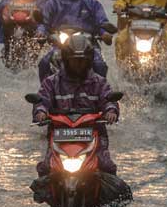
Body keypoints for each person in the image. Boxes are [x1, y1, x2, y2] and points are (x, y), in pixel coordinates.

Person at [32, 32, 120, 180]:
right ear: (66, 60)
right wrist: (41, 112)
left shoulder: (99, 82)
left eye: (82, 61)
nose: (79, 65)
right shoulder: (52, 82)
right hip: (60, 132)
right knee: (46, 168)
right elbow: (42, 100)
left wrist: (111, 110)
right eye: (75, 61)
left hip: (93, 132)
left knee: (106, 165)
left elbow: (108, 99)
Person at [37, 0, 113, 83]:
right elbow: (44, 23)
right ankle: (45, 94)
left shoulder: (92, 2)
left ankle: (101, 94)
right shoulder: (54, 3)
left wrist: (105, 33)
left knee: (100, 65)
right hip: (60, 45)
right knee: (44, 63)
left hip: (88, 45)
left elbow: (102, 22)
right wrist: (40, 32)